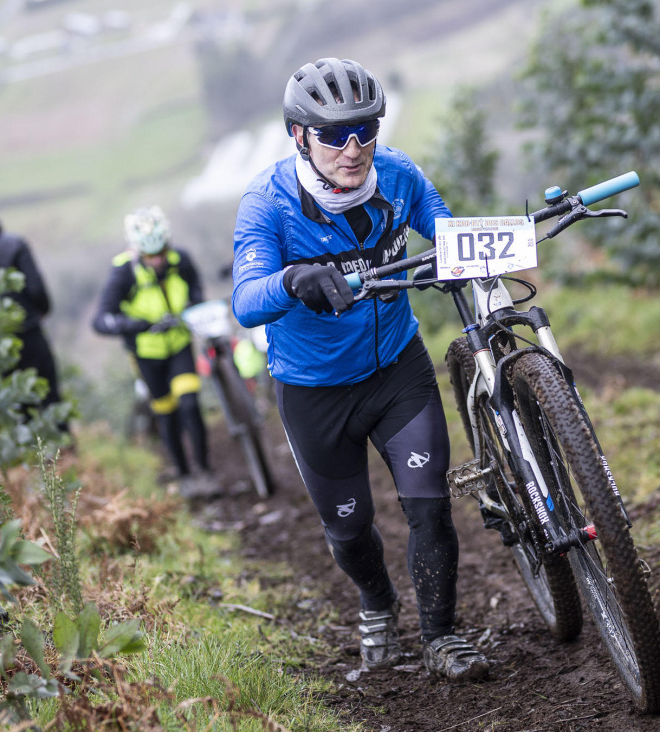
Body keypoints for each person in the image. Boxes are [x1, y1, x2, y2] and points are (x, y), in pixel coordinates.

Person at [231, 58, 489, 681]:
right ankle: (377, 603)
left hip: (397, 370)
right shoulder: (267, 203)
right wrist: (294, 279)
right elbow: (245, 300)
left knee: (429, 508)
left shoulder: (398, 176)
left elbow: (448, 230)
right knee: (350, 532)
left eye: (365, 130)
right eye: (333, 136)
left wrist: (468, 252)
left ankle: (441, 637)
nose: (353, 149)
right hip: (314, 392)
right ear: (299, 136)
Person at [92, 205, 215, 496]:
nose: (158, 260)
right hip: (147, 356)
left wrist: (192, 307)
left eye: (161, 252)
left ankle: (206, 472)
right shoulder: (123, 271)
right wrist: (135, 325)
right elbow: (101, 320)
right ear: (137, 250)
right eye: (150, 256)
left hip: (179, 344)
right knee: (167, 414)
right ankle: (184, 476)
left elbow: (196, 288)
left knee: (189, 405)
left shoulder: (179, 259)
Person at [0, 193, 68, 434]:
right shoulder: (14, 245)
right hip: (28, 333)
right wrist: (41, 313)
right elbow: (36, 289)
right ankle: (64, 452)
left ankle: (30, 456)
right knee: (49, 393)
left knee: (15, 403)